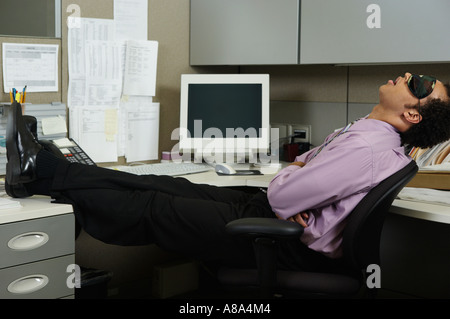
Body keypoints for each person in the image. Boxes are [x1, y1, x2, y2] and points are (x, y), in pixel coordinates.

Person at [5, 73, 450, 273]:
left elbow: (282, 196)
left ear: (412, 114)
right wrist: (299, 178)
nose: (411, 75)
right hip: (279, 216)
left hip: (287, 240)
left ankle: (40, 172)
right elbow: (303, 172)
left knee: (154, 206)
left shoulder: (370, 147)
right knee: (165, 183)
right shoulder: (369, 134)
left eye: (423, 85)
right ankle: (45, 170)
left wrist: (296, 185)